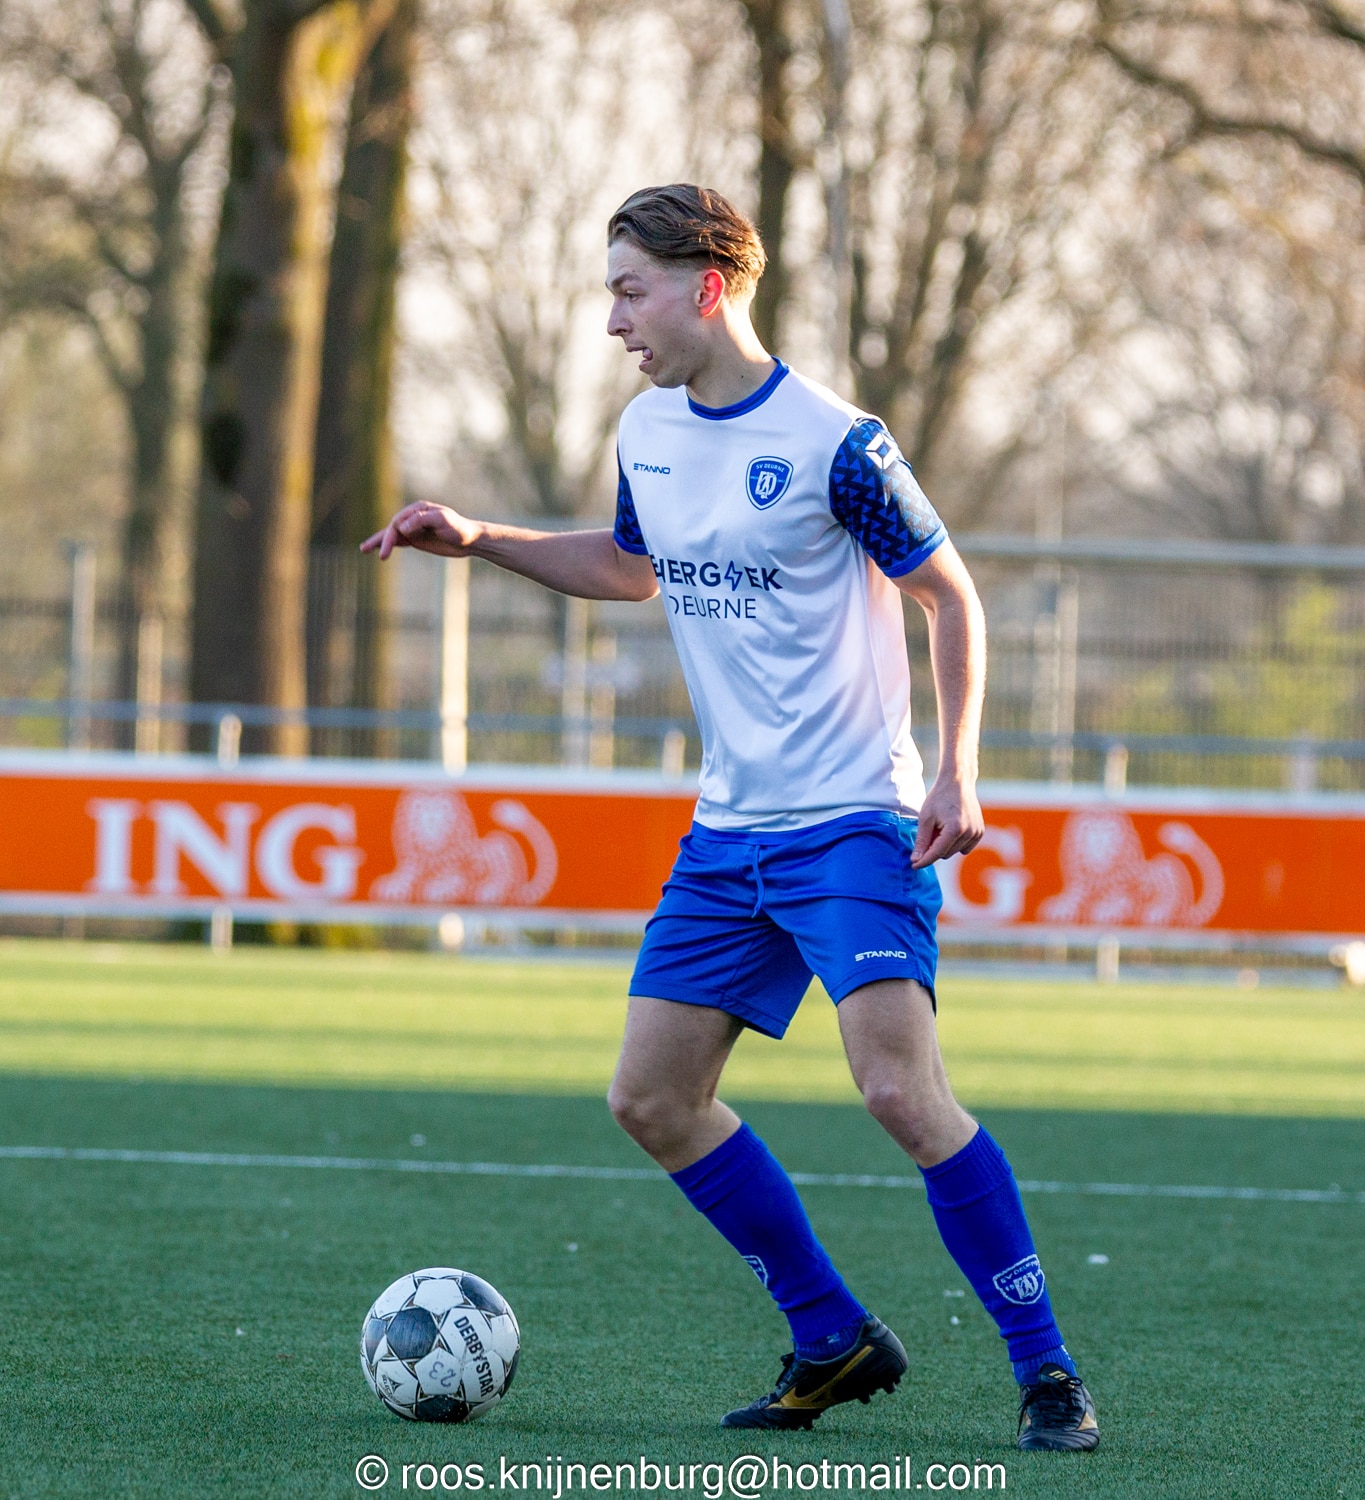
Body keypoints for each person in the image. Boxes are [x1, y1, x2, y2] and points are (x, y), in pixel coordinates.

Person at [363, 183, 1098, 1451]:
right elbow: (630, 566)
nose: (613, 322)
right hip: (727, 837)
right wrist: (480, 538)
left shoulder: (837, 443)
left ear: (706, 287)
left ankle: (1049, 1375)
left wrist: (958, 770)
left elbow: (951, 597)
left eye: (629, 291)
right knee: (651, 1099)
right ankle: (833, 1335)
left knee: (898, 1091)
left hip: (854, 823)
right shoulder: (647, 430)